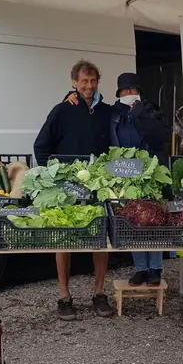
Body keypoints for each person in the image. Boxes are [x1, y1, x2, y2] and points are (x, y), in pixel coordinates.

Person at [67, 72, 171, 286]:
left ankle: (156, 269)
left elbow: (160, 137)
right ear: (119, 93)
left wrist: (140, 114)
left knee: (154, 219)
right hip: (123, 172)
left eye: (133, 90)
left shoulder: (151, 109)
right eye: (125, 90)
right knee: (133, 220)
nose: (129, 93)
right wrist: (70, 95)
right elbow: (89, 109)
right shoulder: (112, 112)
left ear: (139, 92)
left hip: (151, 172)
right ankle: (141, 268)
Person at [34, 59, 114, 321]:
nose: (88, 86)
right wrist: (53, 175)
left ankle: (100, 294)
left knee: (100, 238)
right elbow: (41, 146)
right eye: (83, 81)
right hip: (67, 186)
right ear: (74, 83)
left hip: (98, 184)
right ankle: (64, 297)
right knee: (64, 239)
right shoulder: (62, 110)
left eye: (92, 81)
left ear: (98, 82)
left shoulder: (107, 112)